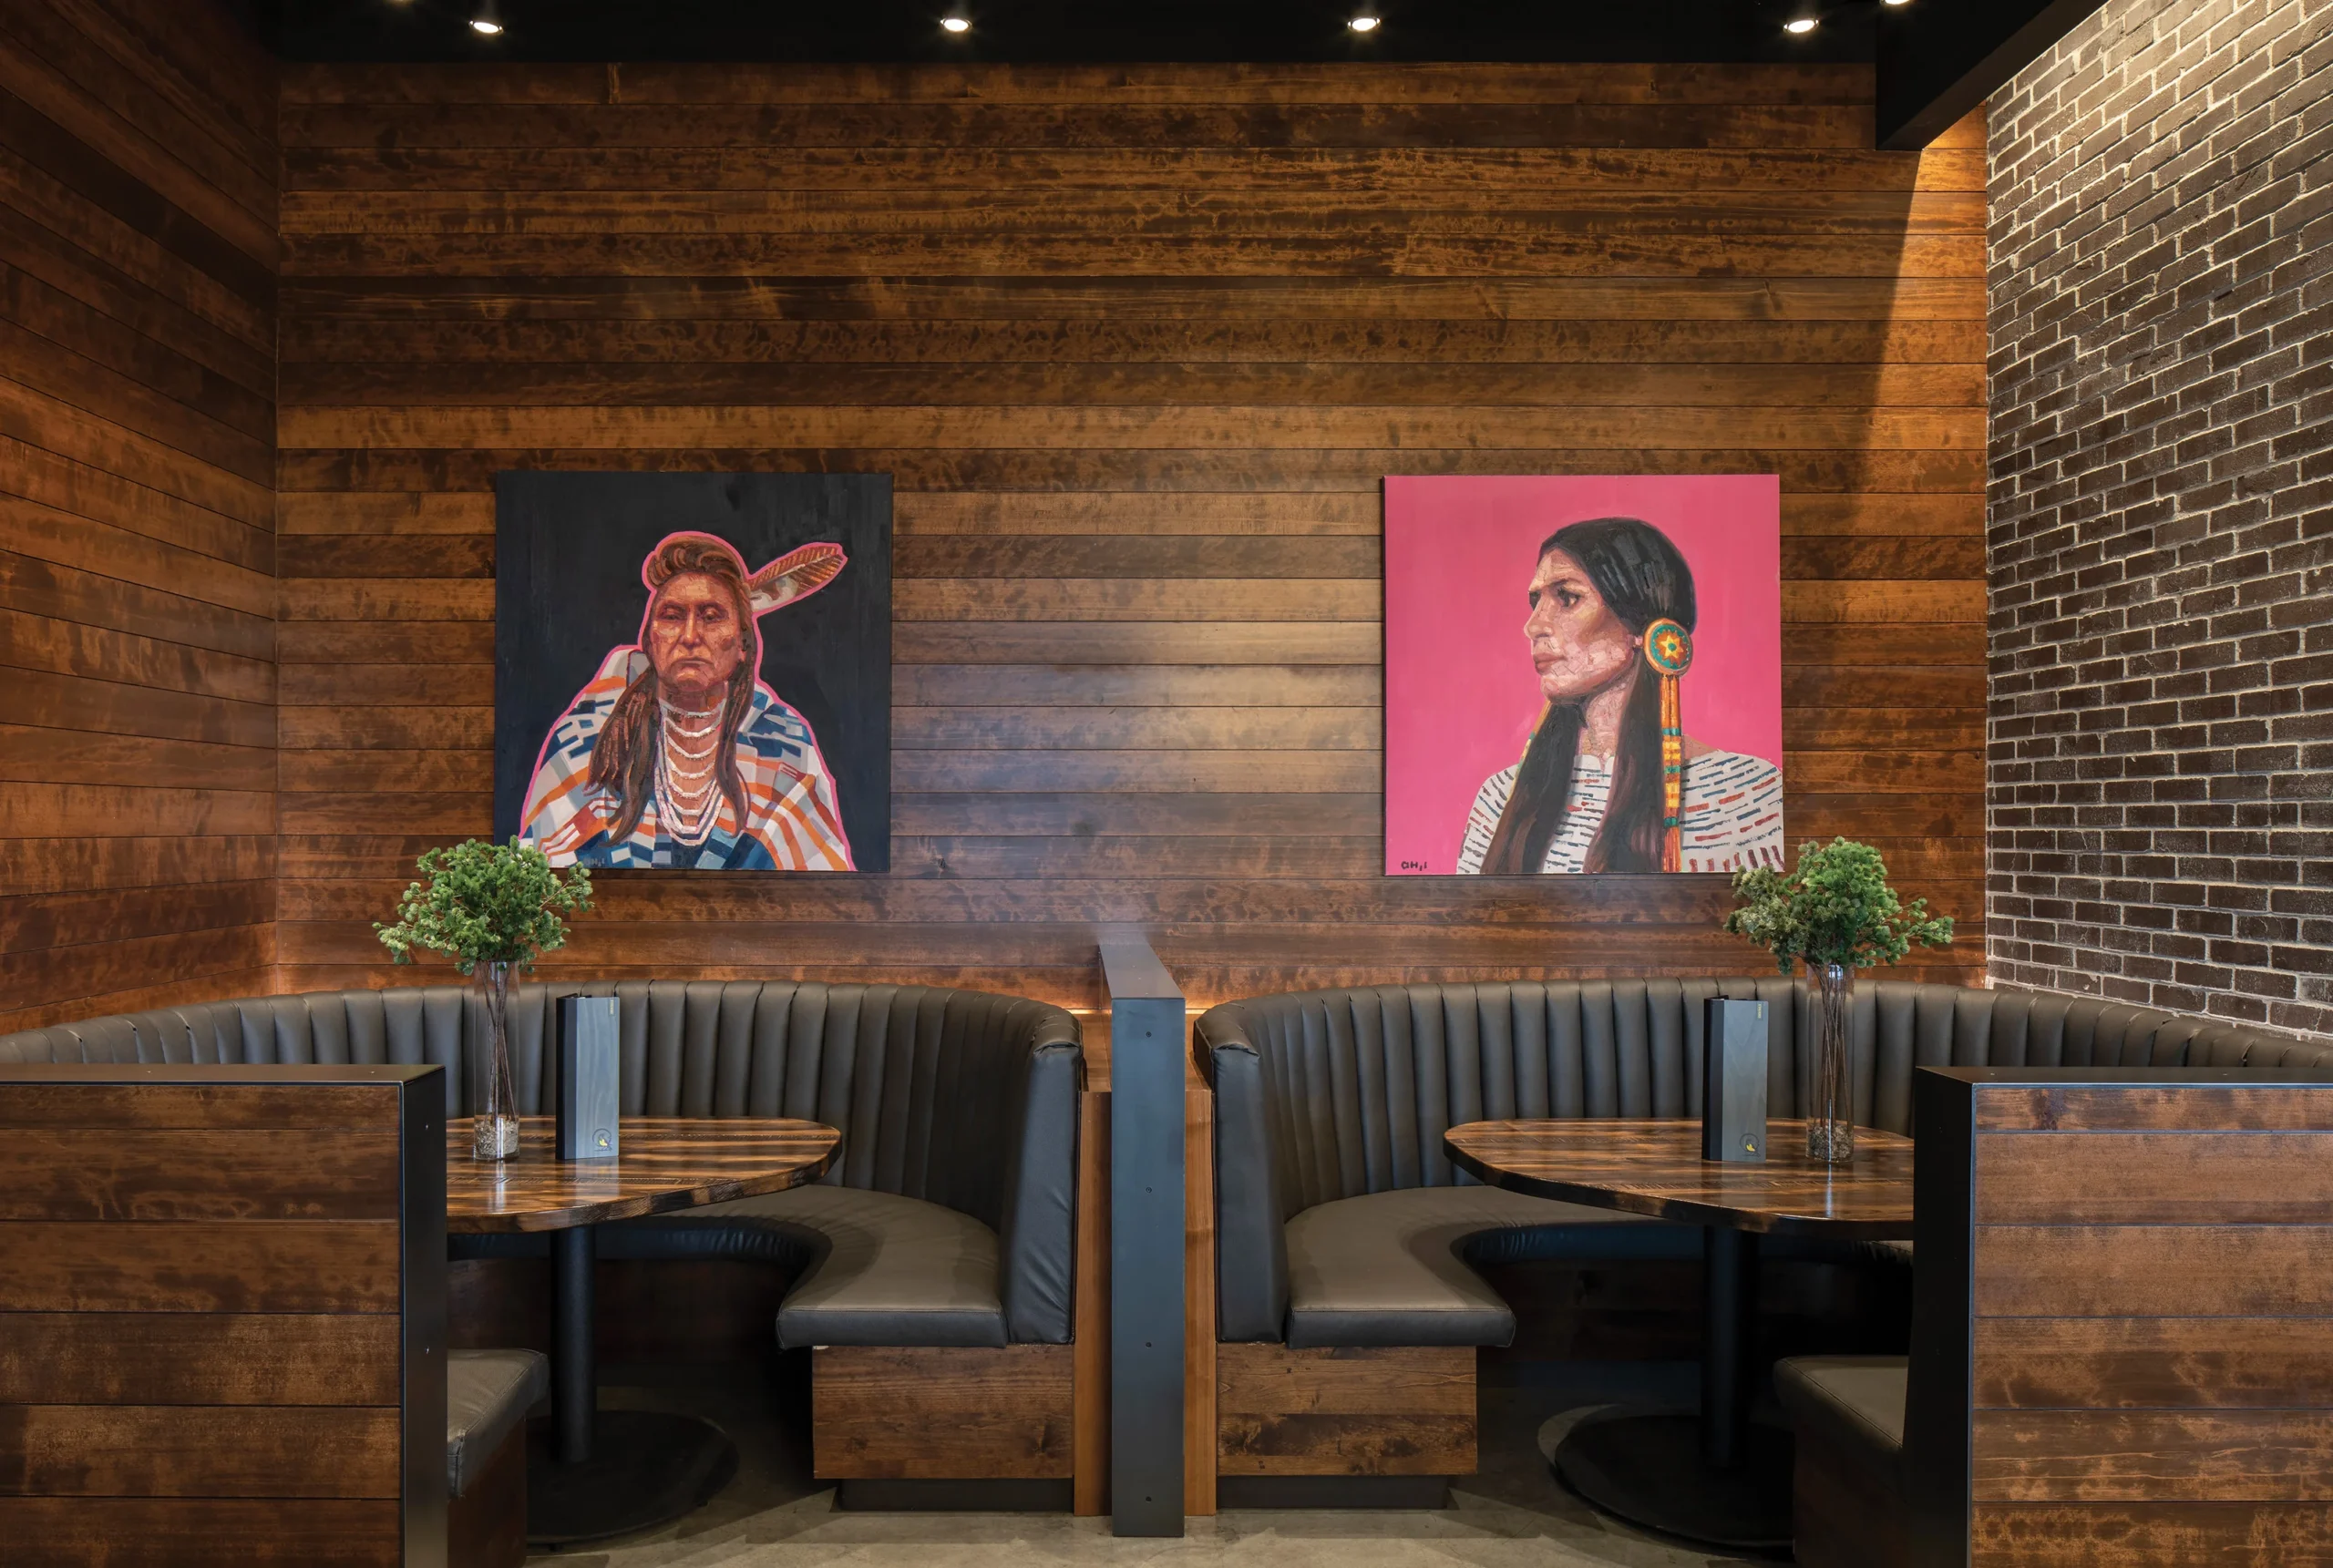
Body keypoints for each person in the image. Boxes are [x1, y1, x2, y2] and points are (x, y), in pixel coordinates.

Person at [1456, 517, 1782, 876]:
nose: (1533, 625)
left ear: (1642, 625)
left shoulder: (1751, 795)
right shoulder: (1499, 799)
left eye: (1567, 597)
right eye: (1536, 600)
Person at [519, 531, 855, 870]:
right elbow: (538, 883)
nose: (691, 636)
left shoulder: (781, 743)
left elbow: (822, 891)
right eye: (672, 615)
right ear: (649, 641)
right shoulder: (590, 736)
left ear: (742, 645)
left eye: (711, 617)